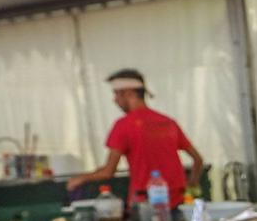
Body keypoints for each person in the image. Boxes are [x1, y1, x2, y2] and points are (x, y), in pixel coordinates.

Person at [67, 69, 203, 207]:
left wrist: (80, 179)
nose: (114, 100)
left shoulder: (124, 125)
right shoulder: (168, 122)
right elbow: (198, 160)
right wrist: (192, 184)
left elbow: (108, 172)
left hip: (146, 203)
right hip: (180, 202)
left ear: (129, 93)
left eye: (116, 94)